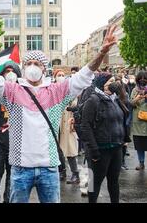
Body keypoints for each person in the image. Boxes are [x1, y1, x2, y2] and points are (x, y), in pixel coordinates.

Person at [0, 25, 118, 203]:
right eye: (28, 64)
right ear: (23, 69)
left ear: (44, 69)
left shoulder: (57, 91)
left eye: (36, 64)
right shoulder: (12, 91)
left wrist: (101, 53)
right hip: (20, 168)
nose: (32, 67)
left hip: (49, 168)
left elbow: (84, 75)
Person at [80, 73, 130, 203]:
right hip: (100, 150)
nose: (114, 84)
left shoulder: (116, 99)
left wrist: (124, 139)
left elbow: (123, 118)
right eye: (110, 82)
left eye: (115, 81)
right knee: (94, 183)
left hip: (116, 148)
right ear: (102, 84)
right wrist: (94, 150)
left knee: (114, 181)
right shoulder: (93, 100)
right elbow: (86, 126)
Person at [0, 61, 21, 203]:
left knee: (12, 179)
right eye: (7, 71)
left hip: (16, 144)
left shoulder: (23, 94)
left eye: (13, 71)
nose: (10, 75)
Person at [54, 69, 80, 184]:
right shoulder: (52, 89)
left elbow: (75, 104)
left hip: (68, 123)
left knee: (70, 149)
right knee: (58, 150)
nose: (61, 77)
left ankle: (75, 173)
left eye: (63, 75)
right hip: (56, 123)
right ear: (54, 77)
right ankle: (62, 172)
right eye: (58, 75)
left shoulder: (69, 90)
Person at [130, 71, 147, 171]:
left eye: (145, 78)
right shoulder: (134, 90)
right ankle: (141, 163)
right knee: (140, 145)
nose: (142, 80)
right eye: (140, 78)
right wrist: (138, 97)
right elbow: (130, 104)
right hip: (138, 122)